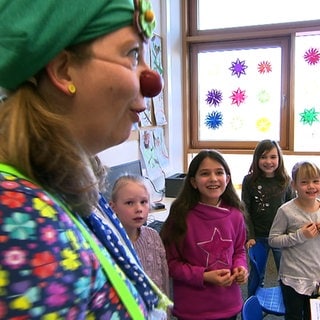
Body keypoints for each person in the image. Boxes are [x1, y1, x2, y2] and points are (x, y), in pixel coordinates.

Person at [0, 1, 172, 319]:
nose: (151, 81)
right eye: (132, 54)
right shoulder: (20, 222)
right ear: (65, 70)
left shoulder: (67, 188)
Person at [160, 149, 248, 320]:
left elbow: (239, 250)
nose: (213, 179)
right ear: (193, 181)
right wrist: (203, 276)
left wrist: (240, 267)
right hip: (193, 308)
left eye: (219, 173)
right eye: (205, 173)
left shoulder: (235, 214)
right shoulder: (181, 216)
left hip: (228, 304)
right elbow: (170, 263)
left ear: (227, 179)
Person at [241, 139, 295, 295]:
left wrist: (291, 235)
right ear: (257, 159)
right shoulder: (249, 180)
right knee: (257, 276)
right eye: (263, 157)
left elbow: (293, 210)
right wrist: (250, 236)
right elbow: (246, 211)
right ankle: (252, 302)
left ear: (279, 158)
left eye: (273, 157)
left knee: (285, 274)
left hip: (281, 237)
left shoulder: (286, 181)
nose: (268, 161)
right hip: (258, 237)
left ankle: (288, 302)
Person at [269, 161, 320, 320]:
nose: (311, 186)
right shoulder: (286, 211)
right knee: (294, 316)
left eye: (316, 181)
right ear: (294, 185)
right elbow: (273, 240)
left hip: (316, 277)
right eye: (304, 182)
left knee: (314, 315)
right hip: (293, 277)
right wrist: (300, 235)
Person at [110, 174, 170, 297]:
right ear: (113, 207)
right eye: (129, 203)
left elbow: (164, 278)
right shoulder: (110, 244)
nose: (139, 209)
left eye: (143, 202)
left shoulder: (153, 236)